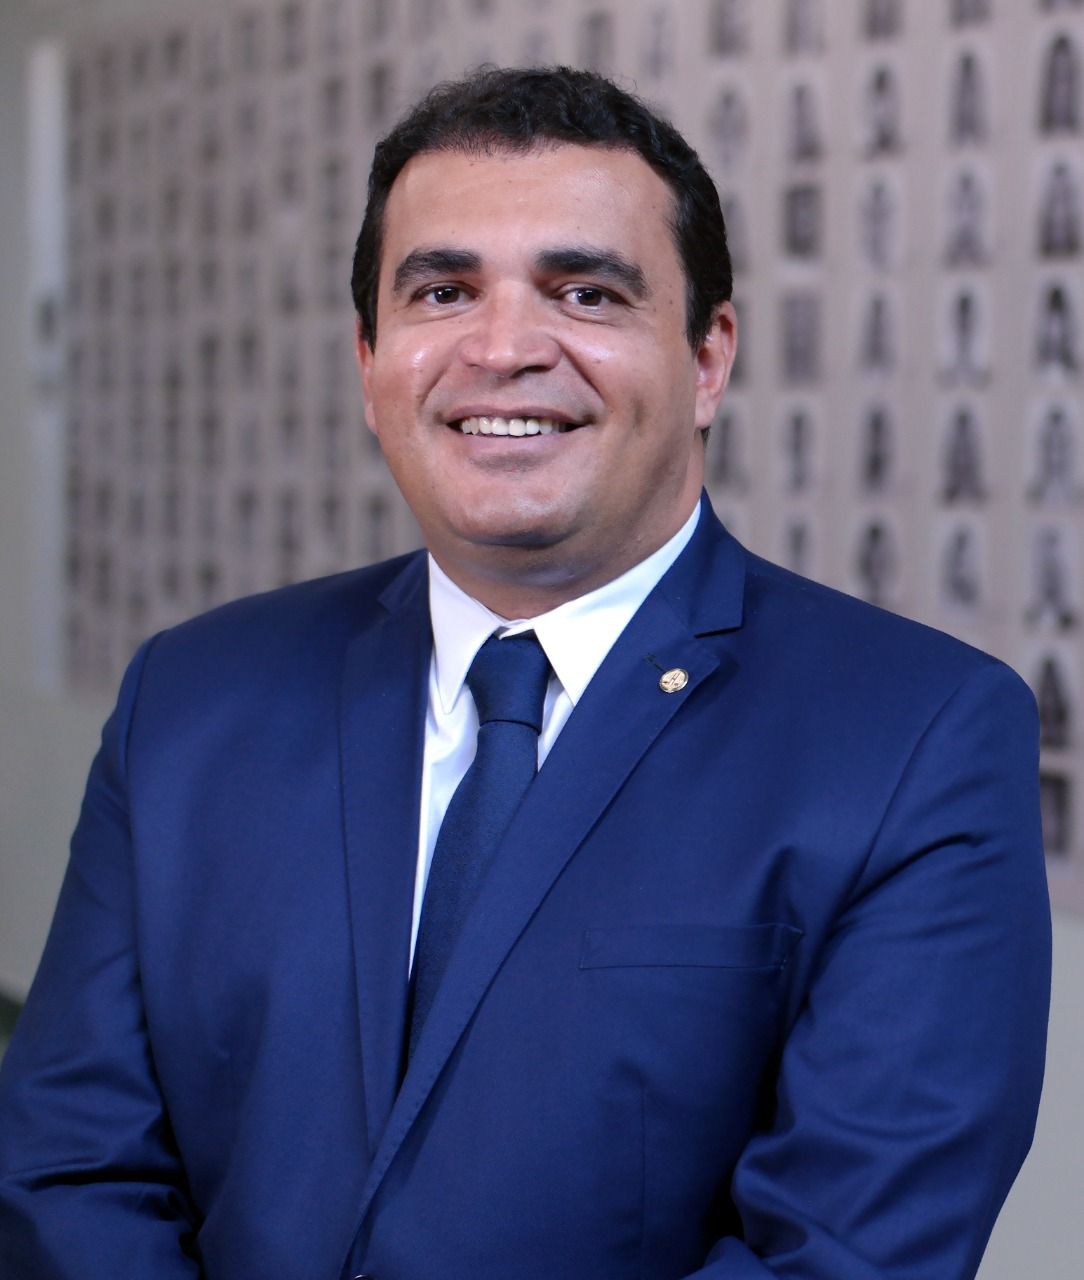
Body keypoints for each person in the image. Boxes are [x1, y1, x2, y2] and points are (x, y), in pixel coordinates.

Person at [0, 65, 1050, 1280]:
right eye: (443, 291)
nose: (502, 348)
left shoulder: (916, 736)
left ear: (708, 358)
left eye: (585, 292)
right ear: (370, 359)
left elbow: (842, 1253)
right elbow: (68, 1169)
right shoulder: (189, 701)